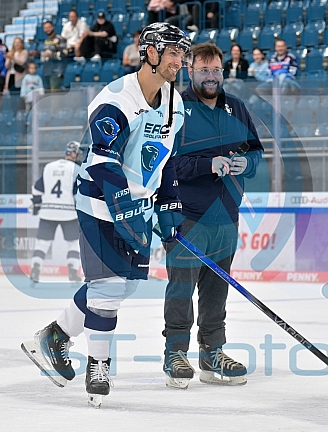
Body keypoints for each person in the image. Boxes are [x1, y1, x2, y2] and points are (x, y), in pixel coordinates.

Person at [21, 22, 191, 408]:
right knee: (109, 288)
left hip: (138, 206)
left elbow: (167, 160)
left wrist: (168, 204)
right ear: (150, 53)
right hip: (100, 203)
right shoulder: (115, 99)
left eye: (183, 52)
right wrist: (124, 205)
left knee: (125, 284)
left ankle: (55, 335)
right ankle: (98, 367)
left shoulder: (174, 102)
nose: (180, 60)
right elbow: (103, 161)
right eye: (173, 52)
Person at [162, 42, 264, 389]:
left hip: (226, 216)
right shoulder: (175, 107)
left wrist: (245, 162)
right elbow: (165, 162)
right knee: (181, 287)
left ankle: (212, 354)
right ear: (190, 71)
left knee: (216, 289)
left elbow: (256, 153)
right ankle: (175, 353)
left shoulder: (235, 107)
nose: (211, 76)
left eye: (216, 70)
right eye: (204, 70)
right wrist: (207, 164)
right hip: (187, 215)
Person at [29, 141, 84, 284]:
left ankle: (36, 268)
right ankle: (73, 272)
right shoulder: (76, 169)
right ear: (73, 153)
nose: (80, 156)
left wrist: (36, 203)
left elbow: (37, 188)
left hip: (48, 211)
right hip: (68, 212)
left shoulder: (49, 166)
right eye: (78, 153)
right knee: (73, 243)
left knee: (42, 243)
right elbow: (78, 194)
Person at [32, 20, 67, 90]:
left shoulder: (59, 39)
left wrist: (52, 55)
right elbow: (45, 55)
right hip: (46, 70)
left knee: (54, 95)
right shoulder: (46, 40)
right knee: (48, 95)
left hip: (56, 70)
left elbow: (64, 54)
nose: (47, 29)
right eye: (45, 28)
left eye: (49, 27)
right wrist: (37, 54)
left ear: (53, 27)